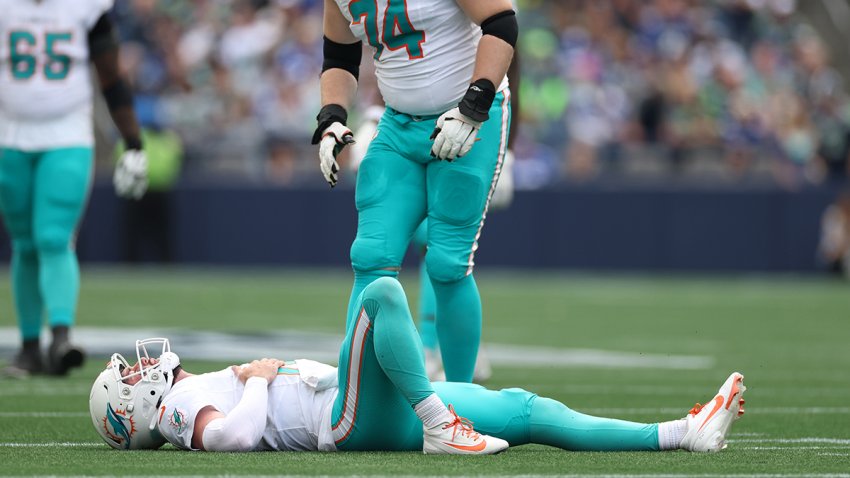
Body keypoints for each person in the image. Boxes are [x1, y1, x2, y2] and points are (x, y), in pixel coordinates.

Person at [89, 277, 747, 454]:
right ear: (133, 410)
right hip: (338, 420)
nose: (137, 369)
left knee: (525, 408)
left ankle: (680, 432)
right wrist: (258, 384)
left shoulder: (179, 394)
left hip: (356, 407)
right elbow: (228, 439)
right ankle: (438, 423)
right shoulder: (176, 409)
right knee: (380, 293)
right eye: (126, 380)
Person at [311, 0, 517, 382]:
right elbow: (339, 56)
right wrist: (332, 117)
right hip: (398, 124)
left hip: (468, 117)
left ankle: (460, 400)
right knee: (371, 255)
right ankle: (357, 395)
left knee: (447, 264)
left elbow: (502, 24)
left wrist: (473, 107)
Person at [0, 0, 148, 377]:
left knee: (52, 237)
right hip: (7, 133)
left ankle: (61, 337)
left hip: (66, 132)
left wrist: (132, 140)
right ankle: (30, 348)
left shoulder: (85, 7)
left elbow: (111, 77)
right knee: (24, 242)